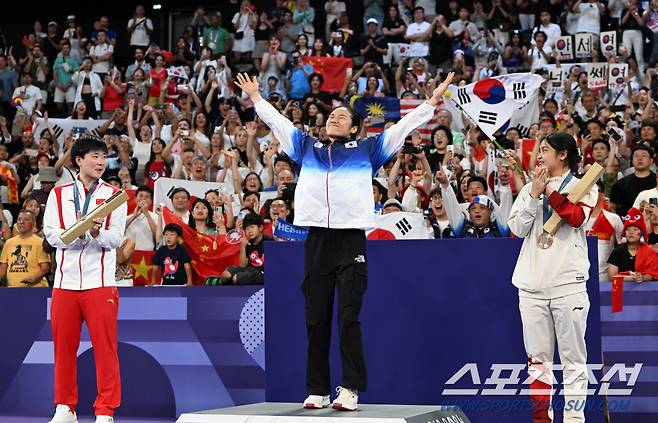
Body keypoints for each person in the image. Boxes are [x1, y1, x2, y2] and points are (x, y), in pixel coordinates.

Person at [234, 70, 454, 411]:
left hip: (350, 240)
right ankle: (317, 389)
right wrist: (257, 98)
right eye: (331, 115)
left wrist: (430, 102)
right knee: (316, 318)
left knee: (348, 317)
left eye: (342, 116)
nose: (333, 117)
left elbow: (402, 129)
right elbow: (279, 124)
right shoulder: (307, 146)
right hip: (317, 240)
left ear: (354, 128)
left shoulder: (368, 149)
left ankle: (350, 388)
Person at [508, 132, 598, 423]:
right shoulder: (531, 188)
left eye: (544, 150)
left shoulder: (585, 185)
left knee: (573, 361)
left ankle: (574, 420)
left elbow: (576, 218)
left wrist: (547, 191)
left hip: (567, 285)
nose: (539, 155)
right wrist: (534, 194)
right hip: (531, 286)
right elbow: (517, 229)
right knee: (538, 363)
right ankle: (542, 420)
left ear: (562, 155)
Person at [43, 135, 127, 423]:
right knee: (63, 348)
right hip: (64, 283)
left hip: (100, 282)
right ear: (78, 160)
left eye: (104, 156)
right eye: (94, 156)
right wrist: (77, 233)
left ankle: (105, 411)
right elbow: (51, 234)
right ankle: (65, 407)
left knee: (105, 349)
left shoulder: (115, 196)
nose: (101, 161)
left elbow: (116, 238)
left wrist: (95, 234)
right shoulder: (59, 194)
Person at [0, 209, 50, 287]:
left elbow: (45, 267)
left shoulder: (40, 242)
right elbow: (3, 268)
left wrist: (34, 278)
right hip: (13, 289)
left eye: (26, 219)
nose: (21, 222)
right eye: (19, 219)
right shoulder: (9, 243)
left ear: (34, 223)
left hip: (36, 289)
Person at [607, 207, 658, 281]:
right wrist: (631, 278)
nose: (631, 232)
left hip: (645, 290)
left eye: (635, 229)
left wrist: (643, 277)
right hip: (621, 289)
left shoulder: (649, 251)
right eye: (628, 229)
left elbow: (654, 274)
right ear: (624, 233)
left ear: (641, 233)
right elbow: (611, 276)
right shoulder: (617, 251)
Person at [220, 212, 269, 284]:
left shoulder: (269, 242)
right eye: (247, 228)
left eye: (252, 227)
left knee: (238, 277)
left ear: (260, 228)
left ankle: (222, 282)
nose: (249, 231)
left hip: (263, 274)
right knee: (226, 274)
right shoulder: (247, 242)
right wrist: (243, 247)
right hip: (248, 270)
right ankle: (219, 282)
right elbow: (242, 265)